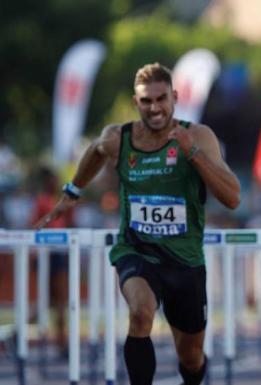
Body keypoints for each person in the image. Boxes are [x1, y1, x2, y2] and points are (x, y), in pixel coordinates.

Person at [36, 62, 241, 385]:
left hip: (185, 261)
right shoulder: (121, 138)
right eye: (146, 101)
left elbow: (232, 198)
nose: (155, 108)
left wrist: (194, 154)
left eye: (161, 99)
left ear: (174, 97)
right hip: (137, 251)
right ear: (136, 102)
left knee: (190, 357)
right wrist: (72, 191)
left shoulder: (198, 135)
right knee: (140, 312)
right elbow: (95, 149)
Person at [31, 167, 74, 359]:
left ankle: (61, 342)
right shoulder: (42, 200)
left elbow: (70, 224)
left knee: (58, 302)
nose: (55, 183)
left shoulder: (65, 201)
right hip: (46, 253)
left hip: (61, 252)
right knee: (51, 301)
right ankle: (60, 342)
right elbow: (35, 224)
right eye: (52, 180)